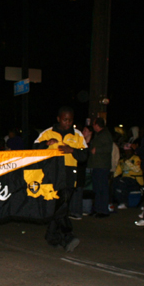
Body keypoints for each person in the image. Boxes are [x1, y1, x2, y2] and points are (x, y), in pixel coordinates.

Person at [33, 107, 88, 252]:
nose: (68, 123)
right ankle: (65, 235)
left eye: (70, 120)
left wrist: (72, 150)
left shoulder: (77, 135)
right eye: (65, 119)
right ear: (58, 119)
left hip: (69, 175)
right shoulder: (48, 133)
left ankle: (55, 237)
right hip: (51, 175)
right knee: (57, 206)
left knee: (61, 206)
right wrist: (46, 144)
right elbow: (34, 148)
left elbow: (84, 155)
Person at [88, 117, 113, 217]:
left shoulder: (105, 135)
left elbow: (108, 148)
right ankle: (98, 209)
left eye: (94, 124)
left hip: (102, 166)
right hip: (97, 165)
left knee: (102, 188)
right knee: (97, 189)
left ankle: (103, 211)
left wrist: (97, 150)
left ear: (97, 125)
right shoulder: (99, 135)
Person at [111, 143, 144, 209]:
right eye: (125, 151)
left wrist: (127, 162)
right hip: (125, 179)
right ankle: (112, 202)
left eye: (128, 150)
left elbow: (137, 169)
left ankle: (124, 203)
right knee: (115, 182)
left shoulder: (136, 158)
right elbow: (118, 172)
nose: (127, 152)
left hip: (135, 179)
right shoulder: (122, 161)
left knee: (122, 182)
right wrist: (112, 177)